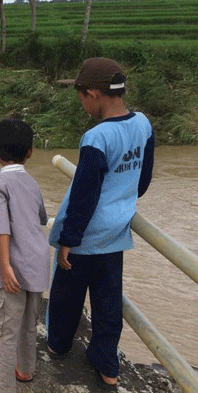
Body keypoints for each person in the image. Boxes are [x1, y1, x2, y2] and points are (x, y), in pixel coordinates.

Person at [47, 57, 155, 388]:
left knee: (66, 296)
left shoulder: (97, 137)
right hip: (115, 234)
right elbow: (144, 179)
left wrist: (68, 239)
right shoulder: (143, 125)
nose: (81, 102)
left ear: (93, 94)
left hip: (84, 238)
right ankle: (108, 366)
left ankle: (58, 345)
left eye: (80, 95)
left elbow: (84, 197)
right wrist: (121, 202)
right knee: (108, 304)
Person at [0, 118, 51, 393]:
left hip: (13, 266)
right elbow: (41, 217)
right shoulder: (32, 184)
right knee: (29, 322)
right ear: (30, 152)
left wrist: (4, 264)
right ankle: (25, 370)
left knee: (2, 332)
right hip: (38, 263)